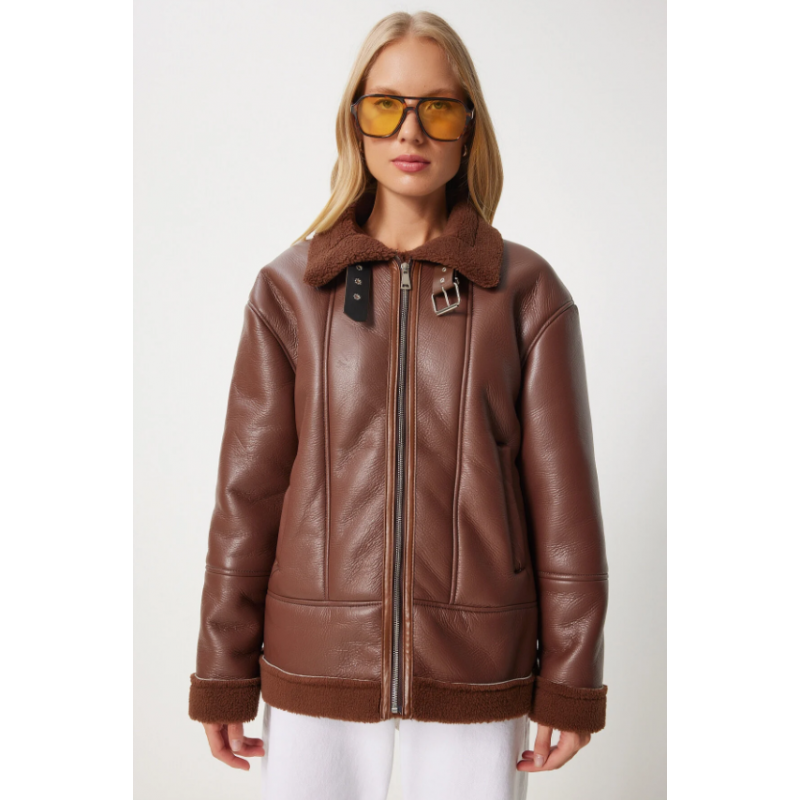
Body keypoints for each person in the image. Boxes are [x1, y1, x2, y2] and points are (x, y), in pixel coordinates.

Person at [188, 10, 609, 800]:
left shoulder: (526, 292)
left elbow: (565, 506)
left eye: (438, 107)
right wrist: (222, 669)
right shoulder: (290, 290)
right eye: (386, 105)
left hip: (478, 662)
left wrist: (572, 679)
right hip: (314, 657)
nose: (410, 130)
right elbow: (248, 495)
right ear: (356, 122)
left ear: (468, 127)